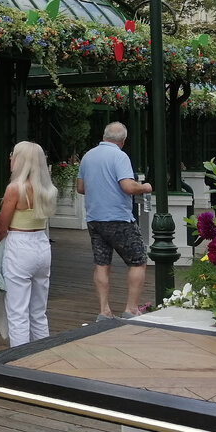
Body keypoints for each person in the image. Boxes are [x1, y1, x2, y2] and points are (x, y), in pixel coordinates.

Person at [75, 122, 153, 321]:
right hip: (118, 218)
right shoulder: (120, 156)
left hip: (94, 219)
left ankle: (104, 310)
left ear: (104, 136)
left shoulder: (88, 155)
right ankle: (131, 309)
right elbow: (127, 186)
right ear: (123, 141)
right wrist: (144, 187)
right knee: (138, 261)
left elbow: (80, 188)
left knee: (102, 264)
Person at [0, 141, 60, 347]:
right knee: (39, 311)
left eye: (13, 154)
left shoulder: (15, 188)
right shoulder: (48, 189)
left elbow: (2, 226)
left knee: (17, 311)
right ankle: (42, 357)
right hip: (41, 243)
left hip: (19, 244)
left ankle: (19, 363)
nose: (10, 158)